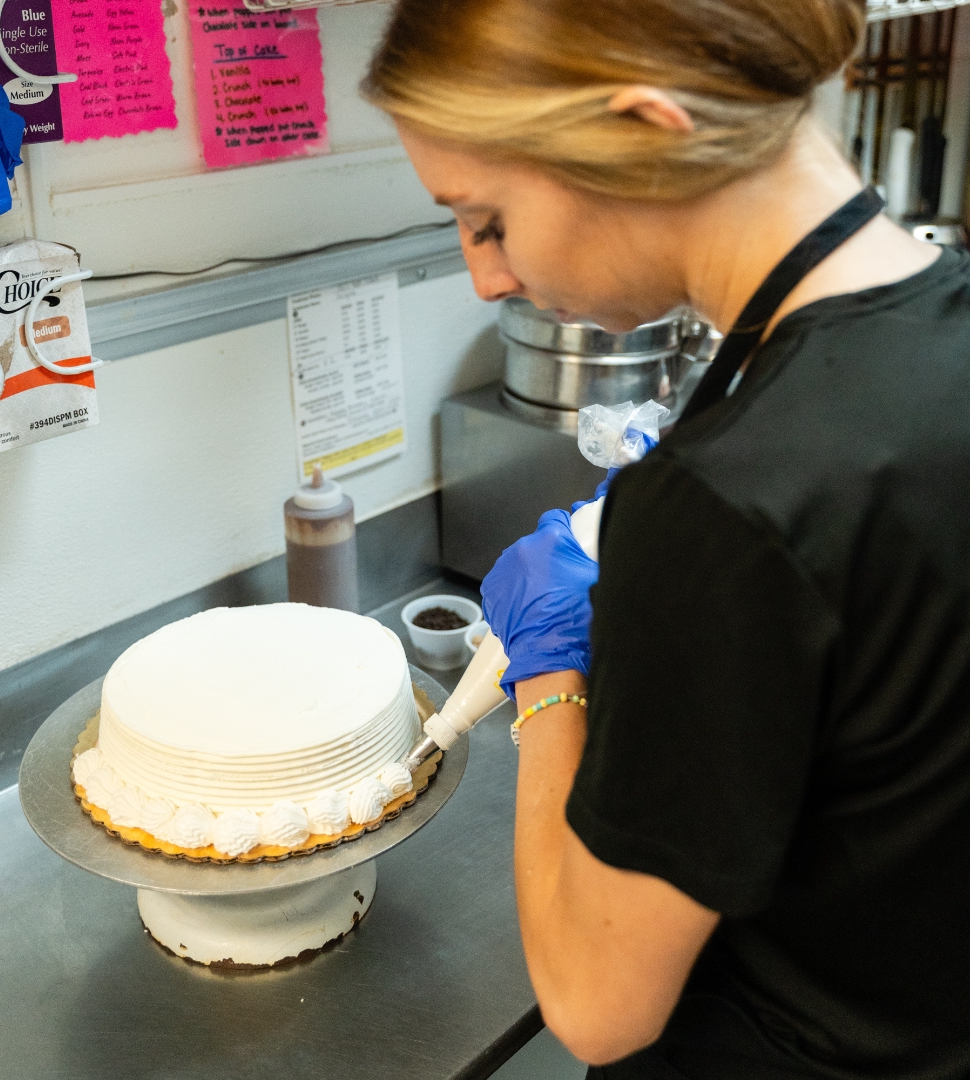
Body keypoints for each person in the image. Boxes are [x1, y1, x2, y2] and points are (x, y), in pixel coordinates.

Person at [363, 2, 970, 1078]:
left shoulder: (729, 505)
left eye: (487, 217)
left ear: (647, 131)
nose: (485, 279)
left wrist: (550, 676)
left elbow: (596, 1005)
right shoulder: (943, 327)